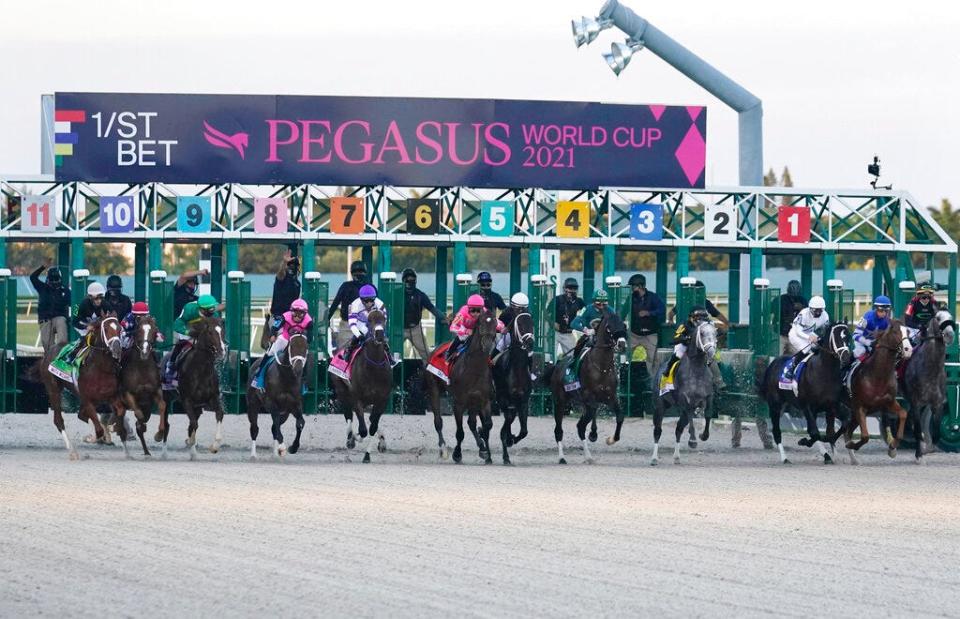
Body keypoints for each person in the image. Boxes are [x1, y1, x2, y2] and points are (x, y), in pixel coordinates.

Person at [251, 298, 313, 391]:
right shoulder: (285, 316)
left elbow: (310, 337)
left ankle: (303, 383)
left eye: (300, 313)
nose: (297, 316)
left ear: (305, 313)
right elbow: (275, 327)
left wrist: (304, 342)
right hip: (285, 338)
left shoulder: (309, 321)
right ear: (291, 311)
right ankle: (259, 376)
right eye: (295, 312)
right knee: (270, 353)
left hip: (298, 341)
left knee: (305, 358)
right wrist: (272, 335)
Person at [165, 294, 220, 383]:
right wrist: (188, 332)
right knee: (180, 344)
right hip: (188, 330)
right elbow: (177, 325)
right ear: (202, 309)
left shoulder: (214, 314)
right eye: (211, 309)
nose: (213, 310)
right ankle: (171, 367)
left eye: (213, 307)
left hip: (202, 334)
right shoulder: (189, 309)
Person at [659, 306, 711, 393]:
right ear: (691, 317)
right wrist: (685, 338)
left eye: (703, 318)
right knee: (676, 357)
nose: (700, 320)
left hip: (699, 347)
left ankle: (717, 383)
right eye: (697, 318)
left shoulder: (708, 325)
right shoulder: (684, 325)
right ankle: (666, 379)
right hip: (684, 345)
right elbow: (675, 338)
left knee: (712, 359)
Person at [621, 274, 665, 369]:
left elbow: (662, 310)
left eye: (633, 286)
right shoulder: (631, 298)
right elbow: (623, 313)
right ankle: (623, 376)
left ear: (641, 286)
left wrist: (649, 313)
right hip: (634, 334)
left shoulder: (653, 297)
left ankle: (652, 381)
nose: (632, 289)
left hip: (650, 334)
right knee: (625, 356)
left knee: (652, 360)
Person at [401, 268, 446, 361]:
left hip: (415, 329)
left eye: (412, 280)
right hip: (399, 329)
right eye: (408, 280)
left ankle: (429, 373)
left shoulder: (420, 295)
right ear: (403, 280)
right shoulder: (397, 293)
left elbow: (432, 308)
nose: (410, 282)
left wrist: (443, 317)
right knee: (391, 353)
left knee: (427, 356)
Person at [782, 296, 830, 382]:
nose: (818, 312)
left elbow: (823, 330)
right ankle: (791, 368)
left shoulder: (825, 316)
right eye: (816, 310)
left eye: (820, 310)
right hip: (796, 334)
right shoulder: (804, 314)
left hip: (810, 333)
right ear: (810, 308)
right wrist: (809, 337)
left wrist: (817, 337)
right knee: (807, 348)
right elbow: (798, 331)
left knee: (818, 349)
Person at [61, 282, 109, 366]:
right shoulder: (83, 304)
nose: (99, 301)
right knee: (84, 340)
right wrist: (86, 327)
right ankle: (71, 357)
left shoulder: (105, 304)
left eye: (101, 298)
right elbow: (74, 322)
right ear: (90, 297)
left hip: (97, 325)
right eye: (96, 298)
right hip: (83, 325)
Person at [447, 293, 505, 362]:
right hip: (464, 330)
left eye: (478, 311)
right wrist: (466, 331)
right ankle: (449, 354)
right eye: (473, 310)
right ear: (468, 308)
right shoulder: (463, 312)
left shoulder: (485, 311)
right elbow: (453, 327)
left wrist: (502, 329)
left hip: (478, 331)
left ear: (482, 309)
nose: (476, 313)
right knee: (461, 338)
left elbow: (496, 322)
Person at [29, 265, 71, 354]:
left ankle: (62, 354)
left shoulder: (65, 291)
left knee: (62, 333)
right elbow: (32, 277)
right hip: (45, 319)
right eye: (52, 279)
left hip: (59, 318)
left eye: (56, 279)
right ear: (48, 279)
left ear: (60, 279)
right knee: (48, 346)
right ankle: (51, 358)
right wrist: (42, 267)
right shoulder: (42, 287)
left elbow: (75, 305)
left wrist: (73, 316)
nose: (54, 281)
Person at [339, 284, 387, 361]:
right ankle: (347, 355)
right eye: (366, 301)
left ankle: (390, 358)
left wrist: (379, 331)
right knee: (354, 342)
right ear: (361, 299)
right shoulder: (354, 305)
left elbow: (384, 320)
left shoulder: (380, 304)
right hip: (360, 324)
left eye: (371, 300)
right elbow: (352, 324)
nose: (369, 303)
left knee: (384, 341)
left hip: (374, 325)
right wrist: (358, 335)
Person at [328, 260, 368, 349]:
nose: (358, 274)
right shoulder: (346, 286)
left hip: (365, 325)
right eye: (356, 272)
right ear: (352, 274)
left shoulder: (369, 287)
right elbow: (335, 303)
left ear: (365, 273)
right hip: (347, 325)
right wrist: (327, 318)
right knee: (343, 352)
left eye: (361, 272)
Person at [570, 289, 617, 361]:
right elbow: (573, 323)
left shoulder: (610, 310)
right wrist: (585, 330)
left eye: (604, 304)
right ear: (594, 301)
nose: (601, 306)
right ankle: (574, 365)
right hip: (590, 336)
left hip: (606, 337)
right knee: (578, 347)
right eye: (598, 303)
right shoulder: (587, 309)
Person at [851, 295, 893, 367]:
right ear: (876, 308)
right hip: (861, 342)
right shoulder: (867, 317)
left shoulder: (887, 320)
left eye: (886, 311)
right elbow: (855, 335)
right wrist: (868, 343)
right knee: (860, 352)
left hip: (875, 343)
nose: (884, 313)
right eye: (881, 310)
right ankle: (846, 370)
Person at [551, 277, 584, 356]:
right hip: (555, 333)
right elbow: (546, 313)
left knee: (573, 356)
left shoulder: (579, 301)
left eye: (574, 288)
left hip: (568, 333)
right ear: (564, 288)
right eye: (569, 287)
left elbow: (587, 311)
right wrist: (552, 323)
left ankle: (566, 368)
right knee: (550, 357)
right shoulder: (557, 299)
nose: (572, 290)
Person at [270, 250, 302, 321]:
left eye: (294, 265)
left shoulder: (297, 283)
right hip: (277, 317)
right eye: (290, 265)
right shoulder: (282, 278)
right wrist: (284, 262)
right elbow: (280, 273)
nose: (292, 267)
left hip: (291, 318)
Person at [779, 280, 807, 355]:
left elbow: (809, 314)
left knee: (797, 356)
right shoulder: (781, 299)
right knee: (778, 356)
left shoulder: (803, 300)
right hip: (782, 334)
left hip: (796, 335)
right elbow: (769, 308)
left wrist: (802, 308)